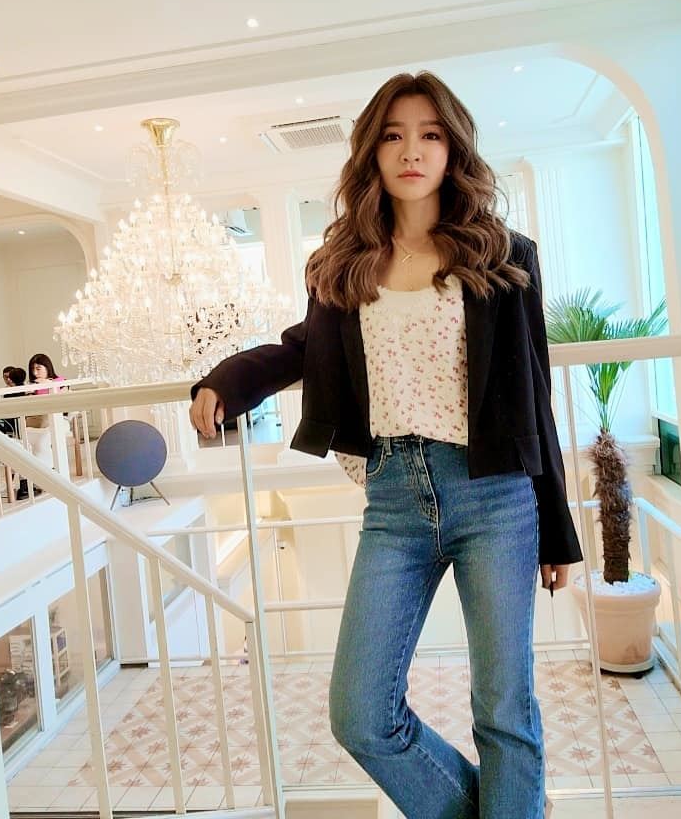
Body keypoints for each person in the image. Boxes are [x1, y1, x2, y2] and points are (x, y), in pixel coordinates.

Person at [189, 71, 582, 819]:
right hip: (396, 499)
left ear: (453, 148)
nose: (412, 151)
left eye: (430, 135)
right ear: (372, 150)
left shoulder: (504, 255)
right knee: (361, 713)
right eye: (394, 136)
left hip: (496, 496)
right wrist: (229, 379)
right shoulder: (344, 262)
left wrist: (557, 529)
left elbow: (536, 394)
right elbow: (301, 349)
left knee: (504, 707)